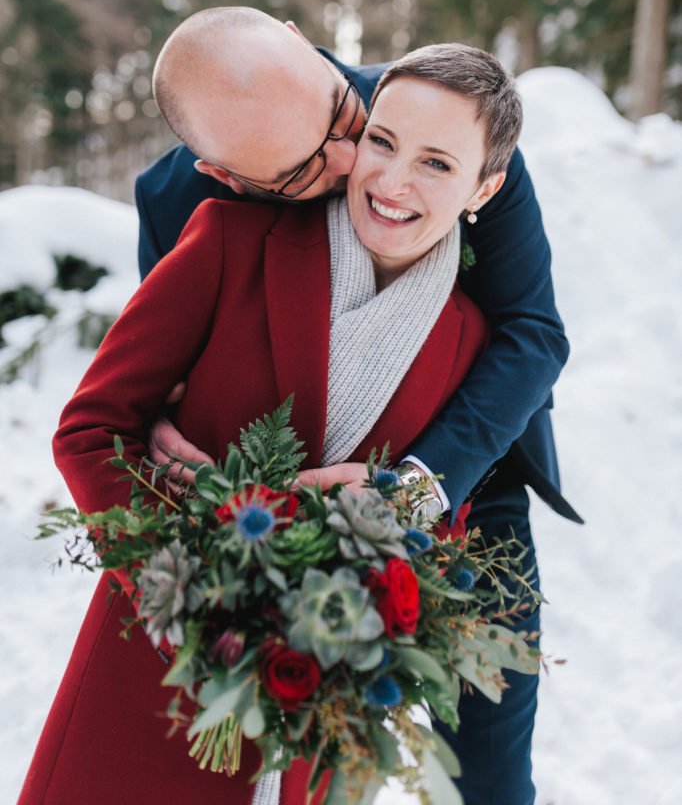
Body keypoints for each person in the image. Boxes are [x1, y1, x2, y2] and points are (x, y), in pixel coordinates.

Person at [21, 42, 523, 805]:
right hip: (151, 684)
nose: (392, 181)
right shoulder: (228, 241)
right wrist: (182, 593)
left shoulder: (470, 346)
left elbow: (439, 529)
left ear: (484, 187)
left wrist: (380, 615)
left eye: (436, 164)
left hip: (310, 716)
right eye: (382, 142)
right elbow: (91, 428)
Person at [137, 8, 581, 803]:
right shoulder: (178, 195)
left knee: (488, 753)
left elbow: (535, 334)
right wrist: (158, 425)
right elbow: (167, 360)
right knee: (293, 744)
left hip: (466, 472)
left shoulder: (447, 130)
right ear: (229, 177)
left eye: (350, 121)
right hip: (282, 490)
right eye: (307, 168)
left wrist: (420, 486)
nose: (356, 166)